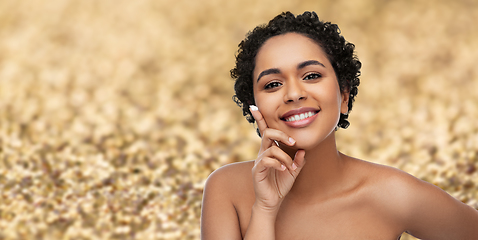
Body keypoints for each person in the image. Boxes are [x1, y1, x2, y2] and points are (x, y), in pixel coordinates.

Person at [200, 11, 478, 239]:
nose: (294, 94)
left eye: (311, 75)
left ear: (344, 95)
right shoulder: (226, 190)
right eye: (273, 84)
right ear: (255, 106)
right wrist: (264, 209)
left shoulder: (393, 194)